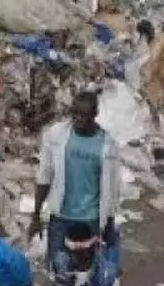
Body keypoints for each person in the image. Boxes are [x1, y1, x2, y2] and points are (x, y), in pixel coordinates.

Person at [30, 90, 122, 263]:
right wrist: (36, 215)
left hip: (91, 220)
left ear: (95, 114)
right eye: (75, 113)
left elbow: (112, 186)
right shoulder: (56, 135)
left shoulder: (108, 145)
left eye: (84, 115)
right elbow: (45, 175)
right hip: (61, 216)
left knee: (86, 273)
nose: (78, 119)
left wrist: (109, 220)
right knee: (59, 271)